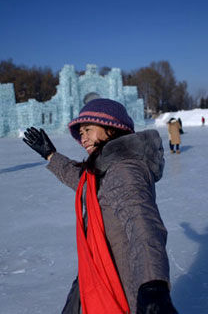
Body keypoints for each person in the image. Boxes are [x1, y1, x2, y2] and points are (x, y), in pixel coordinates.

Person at [23, 98, 178, 314]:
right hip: (97, 268)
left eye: (87, 129)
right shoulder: (105, 169)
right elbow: (84, 182)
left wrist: (153, 285)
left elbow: (143, 226)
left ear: (111, 129)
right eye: (80, 132)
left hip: (118, 278)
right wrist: (51, 155)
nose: (82, 137)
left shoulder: (124, 171)